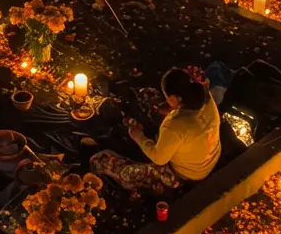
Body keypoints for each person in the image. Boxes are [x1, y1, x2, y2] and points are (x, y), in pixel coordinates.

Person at [91, 68, 221, 196]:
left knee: (101, 161)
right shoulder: (205, 98)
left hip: (184, 175)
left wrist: (138, 136)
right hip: (208, 158)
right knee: (148, 96)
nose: (166, 101)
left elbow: (159, 159)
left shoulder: (175, 125)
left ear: (176, 98)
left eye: (167, 97)